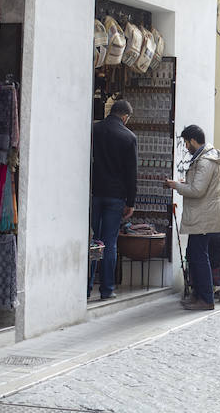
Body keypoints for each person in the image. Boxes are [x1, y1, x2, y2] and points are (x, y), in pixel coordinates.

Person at [165, 125, 220, 310]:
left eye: (186, 142)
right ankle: (198, 294)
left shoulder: (205, 161)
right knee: (193, 255)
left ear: (193, 140)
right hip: (203, 216)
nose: (185, 146)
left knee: (199, 257)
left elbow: (197, 190)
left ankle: (206, 299)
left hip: (204, 218)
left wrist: (176, 185)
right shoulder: (204, 158)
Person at [88, 99, 137, 301]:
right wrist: (131, 202)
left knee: (92, 240)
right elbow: (131, 174)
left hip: (94, 193)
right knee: (109, 242)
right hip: (116, 196)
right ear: (125, 117)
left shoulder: (94, 130)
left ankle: (85, 286)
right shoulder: (128, 137)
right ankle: (107, 289)